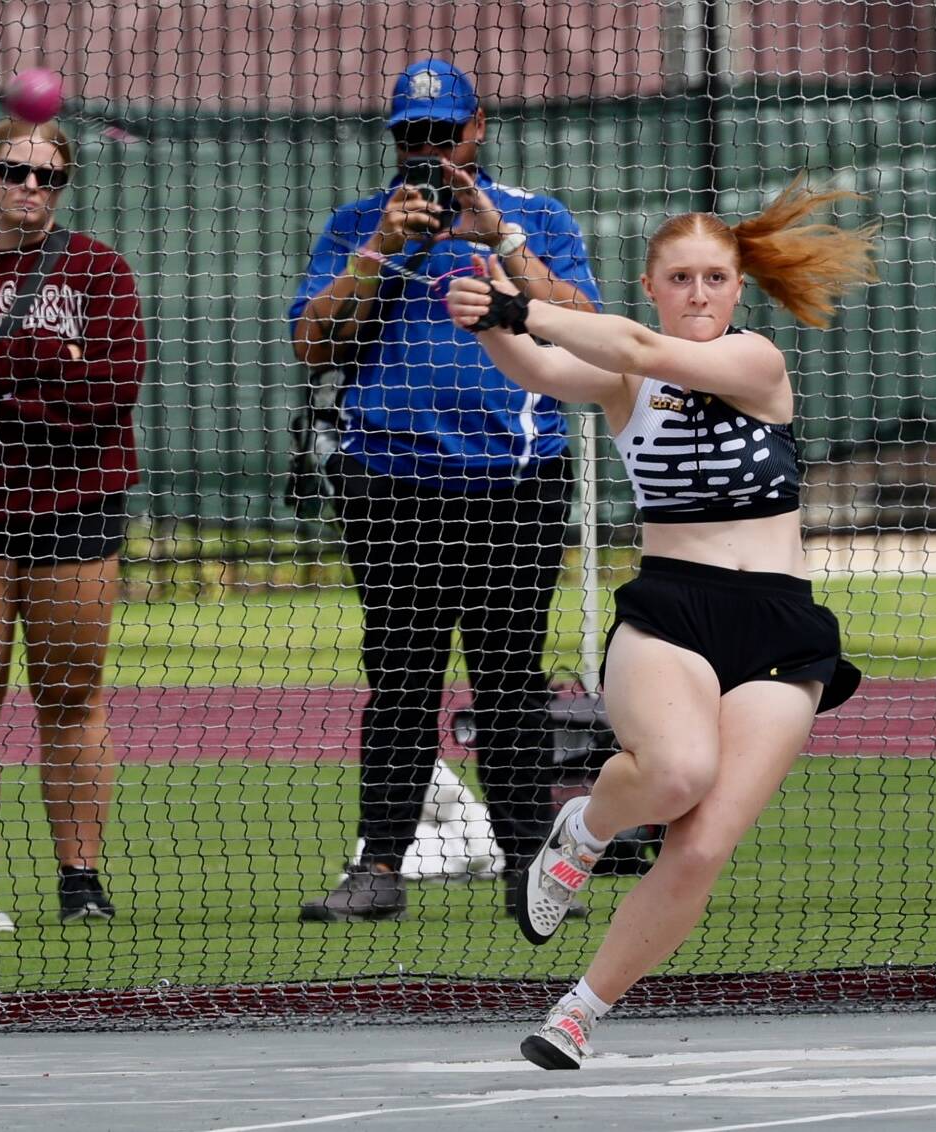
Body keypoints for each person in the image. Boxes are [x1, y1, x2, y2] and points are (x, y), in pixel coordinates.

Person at [446, 178, 876, 1066]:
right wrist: (488, 312)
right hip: (671, 612)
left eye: (715, 279)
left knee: (704, 841)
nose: (699, 296)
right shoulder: (627, 378)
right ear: (653, 286)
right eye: (679, 279)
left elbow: (624, 339)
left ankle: (580, 1011)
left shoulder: (755, 363)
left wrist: (522, 299)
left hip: (778, 629)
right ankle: (586, 833)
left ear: (738, 289)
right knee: (677, 772)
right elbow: (540, 366)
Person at [290, 59, 602, 922]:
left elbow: (588, 325)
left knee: (508, 681)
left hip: (513, 483)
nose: (427, 152)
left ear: (478, 129)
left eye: (442, 134)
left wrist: (497, 239)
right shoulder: (360, 224)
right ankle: (379, 868)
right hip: (390, 484)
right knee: (400, 680)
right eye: (410, 137)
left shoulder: (535, 217)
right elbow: (312, 346)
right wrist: (384, 248)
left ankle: (528, 867)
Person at [0, 117, 147, 932]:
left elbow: (108, 395)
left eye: (47, 176)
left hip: (74, 507)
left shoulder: (98, 270)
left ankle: (81, 879)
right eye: (14, 172)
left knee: (71, 696)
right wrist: (44, 372)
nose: (31, 188)